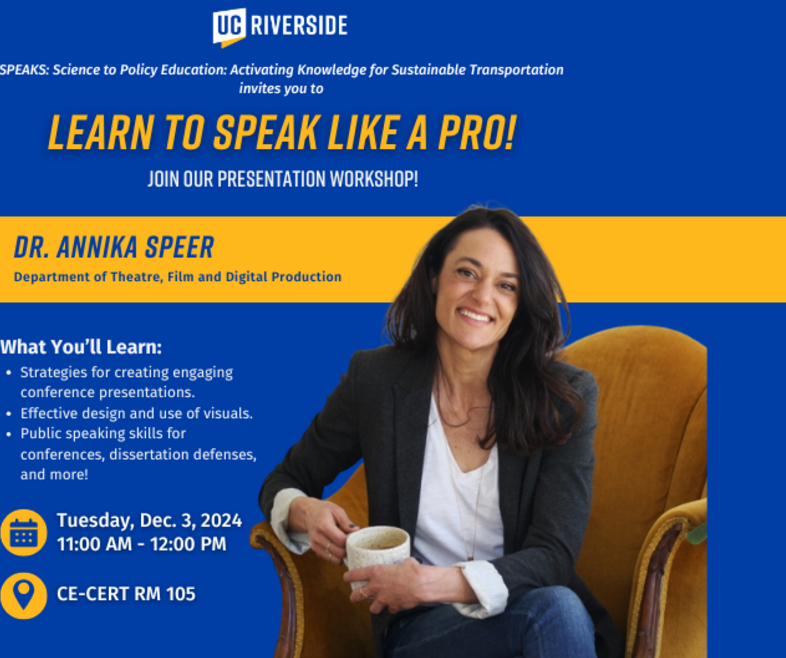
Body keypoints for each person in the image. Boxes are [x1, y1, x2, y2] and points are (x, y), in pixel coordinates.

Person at [258, 207, 623, 658]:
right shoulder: (375, 380)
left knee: (557, 609)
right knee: (554, 612)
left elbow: (553, 554)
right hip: (425, 634)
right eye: (467, 272)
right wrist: (304, 511)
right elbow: (283, 479)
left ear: (519, 303)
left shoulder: (563, 398)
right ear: (434, 276)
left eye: (506, 285)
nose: (483, 296)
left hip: (533, 612)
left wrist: (430, 583)